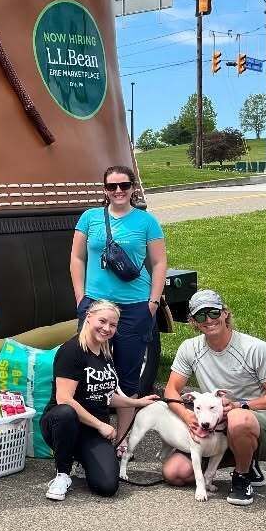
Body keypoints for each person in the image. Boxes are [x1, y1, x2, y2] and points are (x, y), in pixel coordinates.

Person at [162, 289, 266, 506]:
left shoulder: (254, 348)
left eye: (214, 313)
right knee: (175, 473)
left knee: (238, 419)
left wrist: (241, 405)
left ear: (225, 313)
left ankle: (242, 475)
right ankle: (242, 457)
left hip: (264, 428)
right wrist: (187, 416)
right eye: (201, 316)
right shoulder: (190, 349)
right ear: (194, 322)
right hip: (214, 427)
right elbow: (170, 391)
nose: (209, 320)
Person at [41, 300, 159, 501]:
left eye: (112, 325)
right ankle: (62, 474)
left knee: (107, 486)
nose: (107, 328)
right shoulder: (71, 350)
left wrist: (137, 403)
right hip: (62, 424)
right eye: (102, 321)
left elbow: (105, 395)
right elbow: (64, 399)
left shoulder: (105, 351)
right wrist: (101, 425)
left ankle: (82, 459)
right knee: (66, 413)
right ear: (88, 317)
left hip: (91, 431)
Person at [70, 165, 167, 396]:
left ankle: (125, 432)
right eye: (111, 186)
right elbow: (76, 257)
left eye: (124, 185)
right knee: (88, 373)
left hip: (134, 306)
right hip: (95, 304)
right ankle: (94, 427)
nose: (118, 190)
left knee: (129, 378)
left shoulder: (146, 221)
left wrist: (153, 303)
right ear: (105, 190)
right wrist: (80, 298)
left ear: (133, 188)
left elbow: (159, 263)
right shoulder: (89, 218)